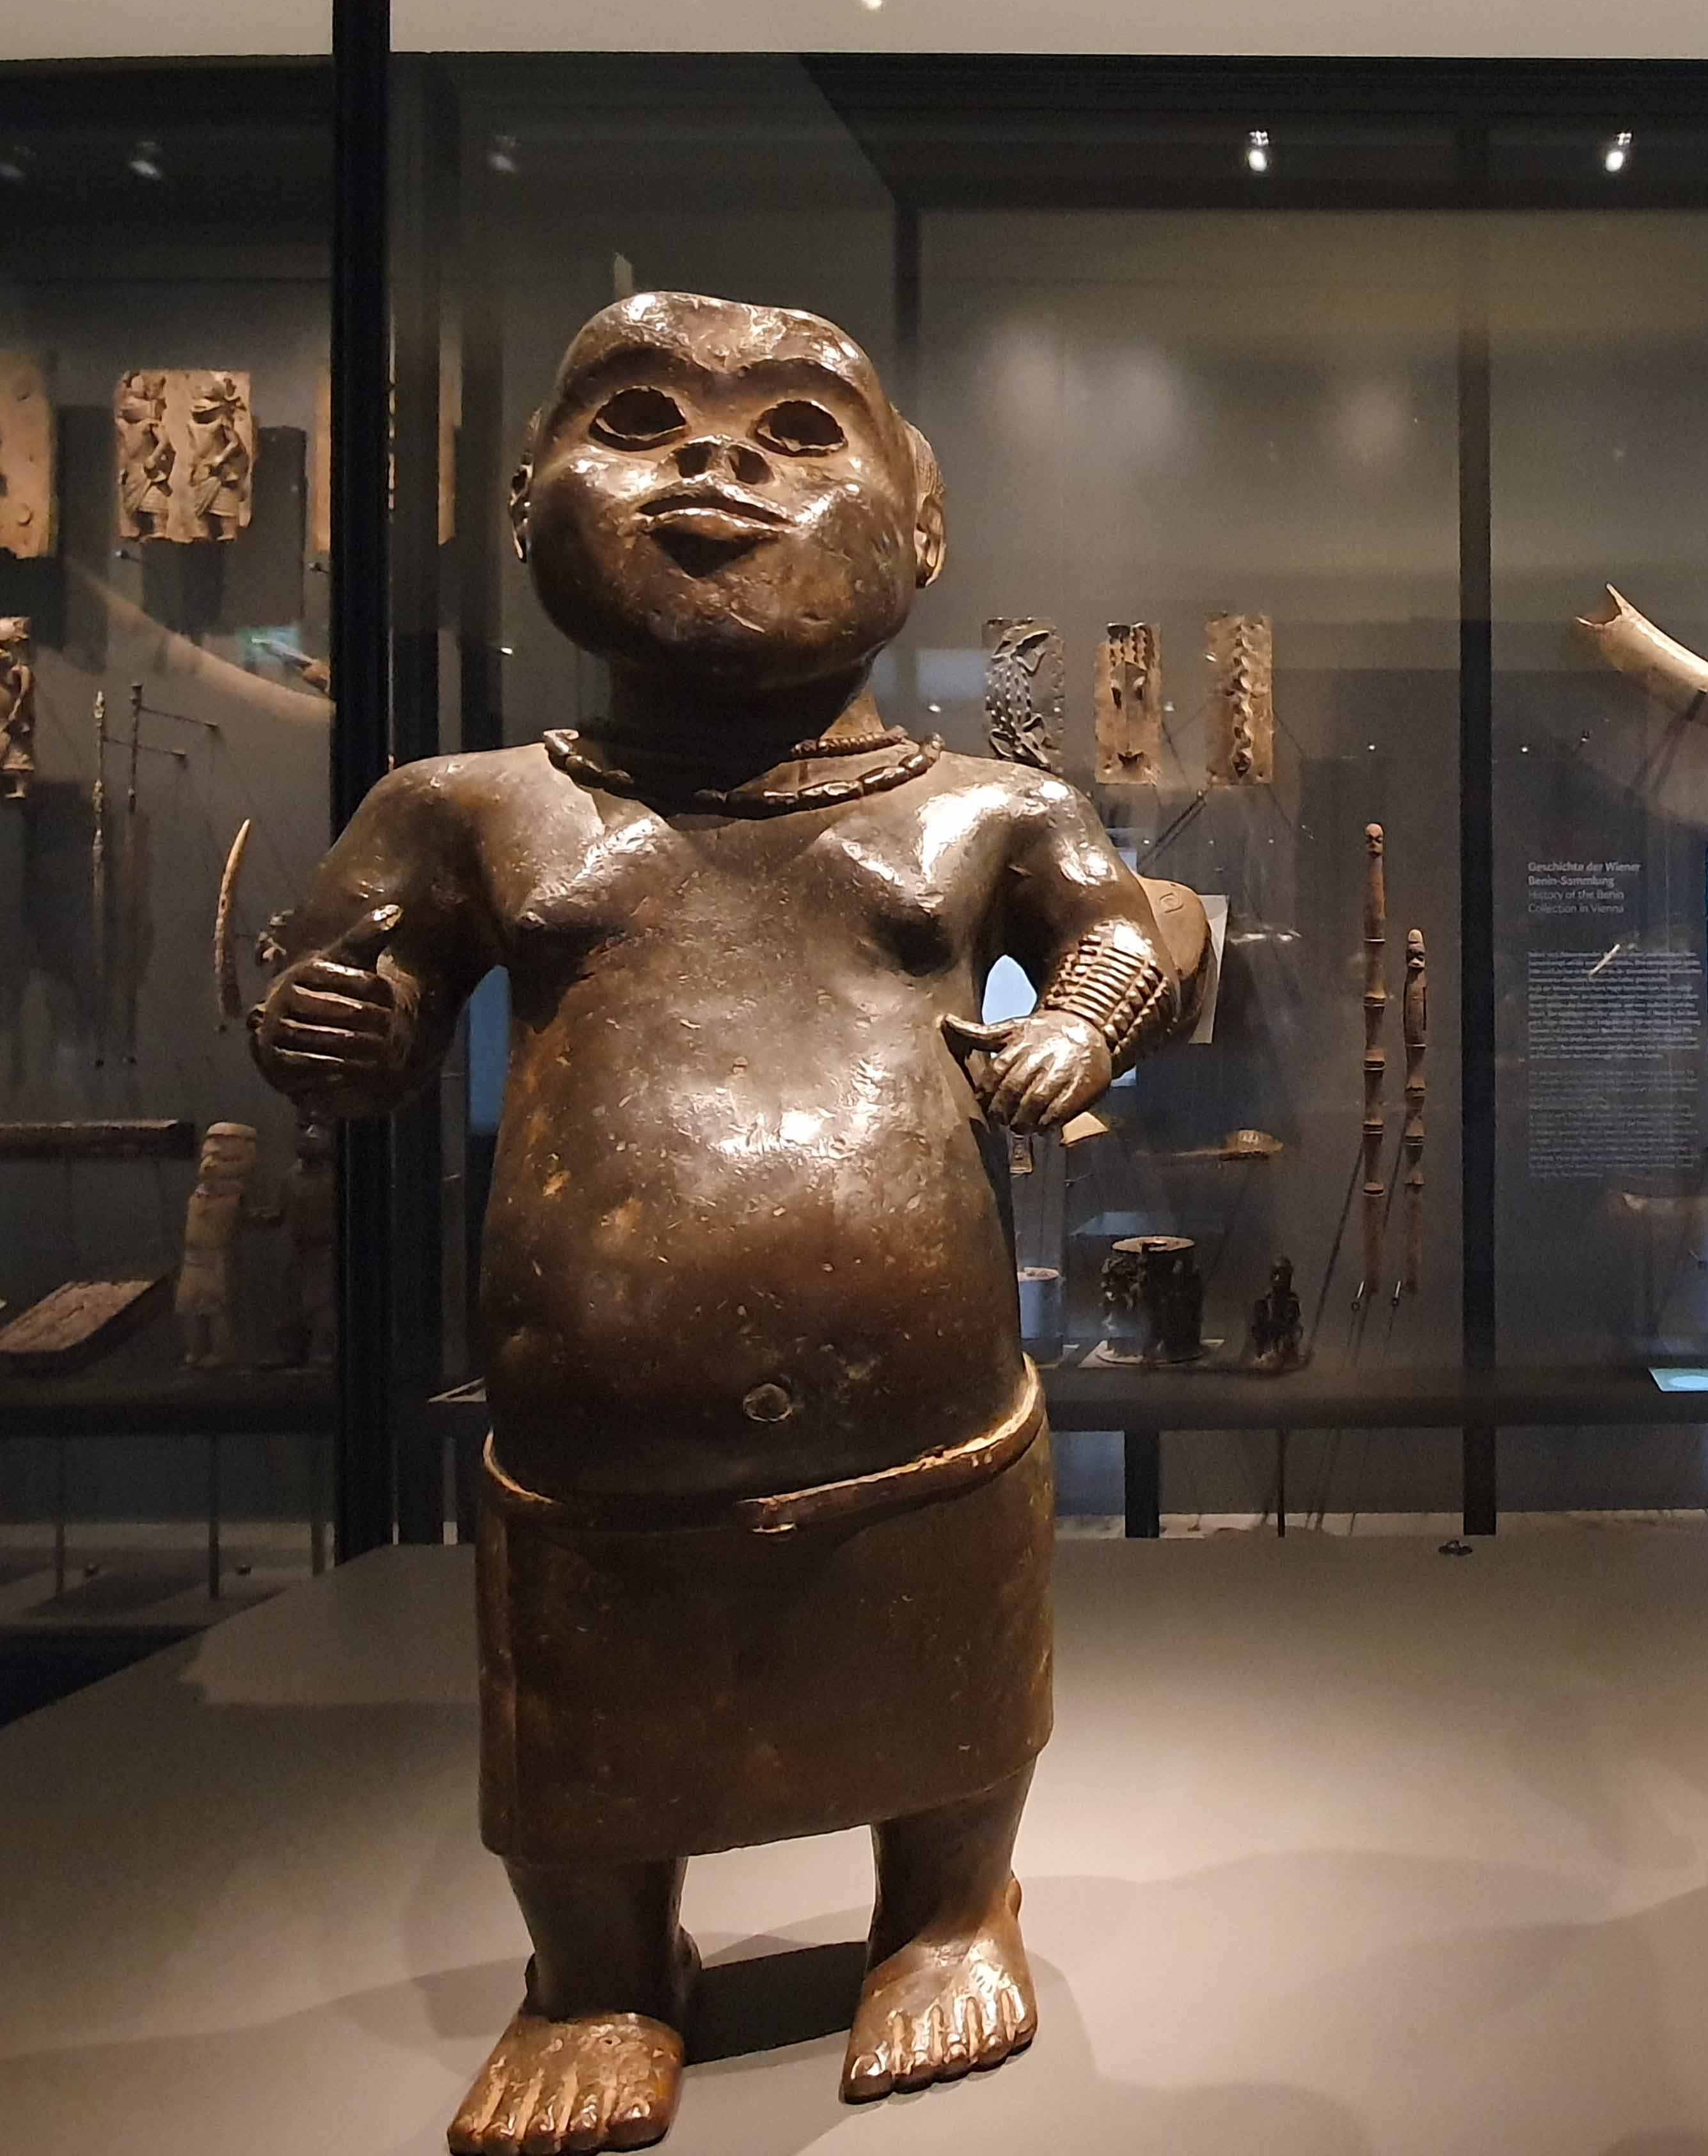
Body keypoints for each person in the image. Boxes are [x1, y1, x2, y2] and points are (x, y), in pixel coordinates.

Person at [253, 293, 1173, 2153]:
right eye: (640, 416)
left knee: (944, 1682)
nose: (716, 461)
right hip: (597, 1445)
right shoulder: (471, 812)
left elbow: (1121, 933)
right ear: (530, 502)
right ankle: (599, 1971)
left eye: (800, 430)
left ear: (923, 523)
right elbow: (349, 1023)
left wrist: (1078, 1028)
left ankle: (948, 1911)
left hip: (926, 1411)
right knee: (591, 1732)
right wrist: (334, 1030)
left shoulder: (984, 811)